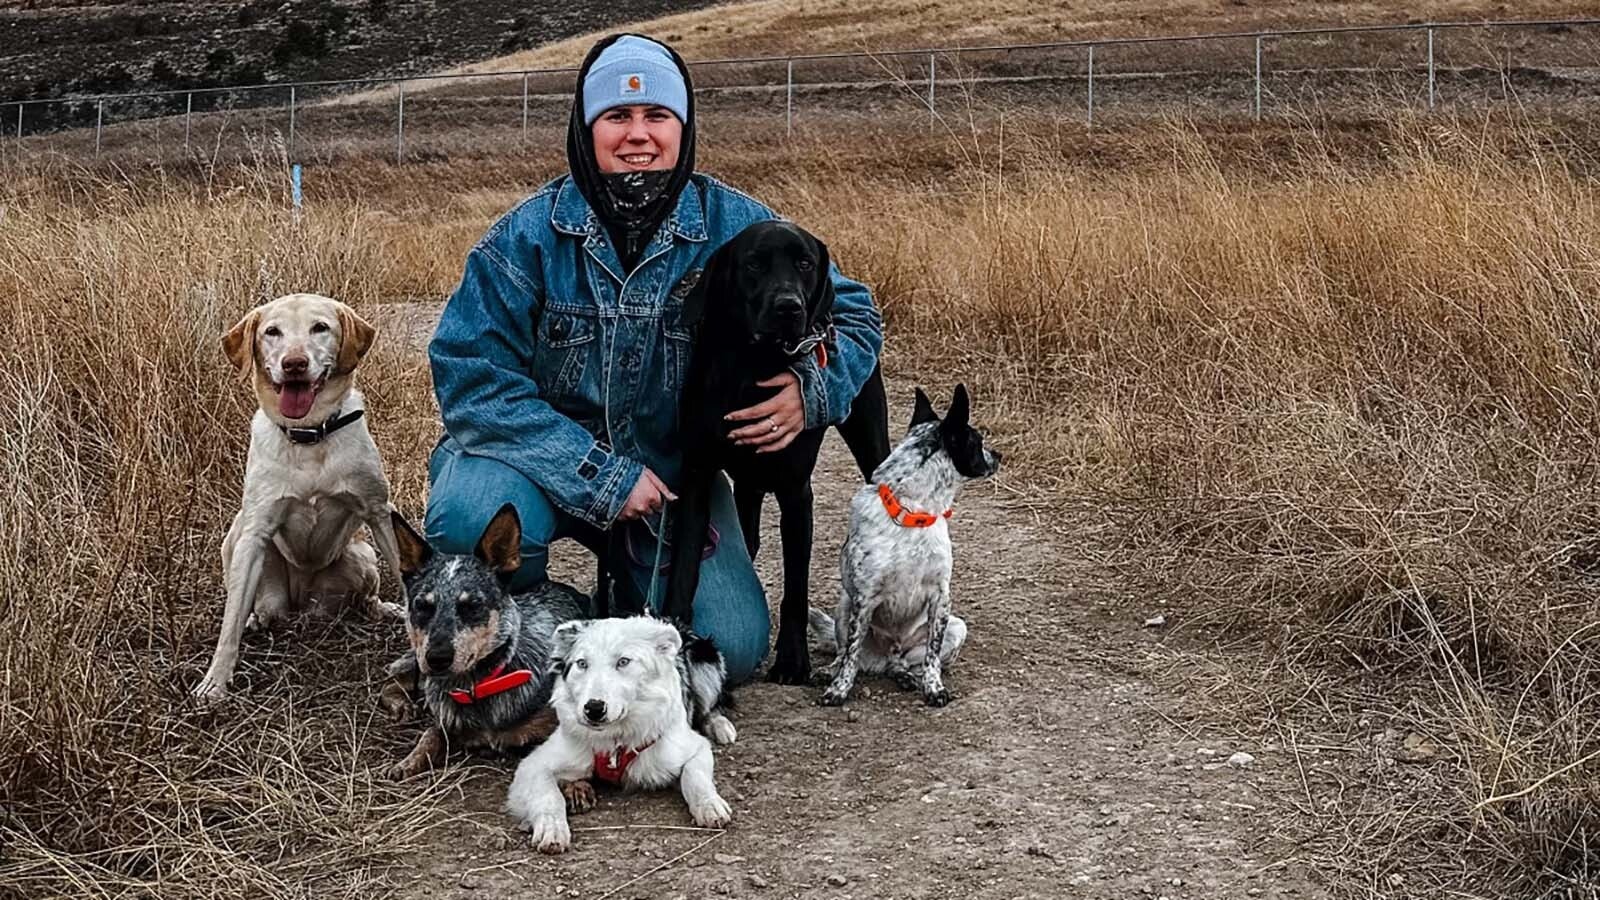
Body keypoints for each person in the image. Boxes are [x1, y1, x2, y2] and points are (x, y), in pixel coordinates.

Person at [423, 34, 883, 684]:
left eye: (657, 115)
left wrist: (812, 391)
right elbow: (471, 378)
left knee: (730, 645)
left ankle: (601, 616)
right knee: (468, 519)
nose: (638, 134)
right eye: (617, 115)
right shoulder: (524, 239)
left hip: (668, 485)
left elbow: (855, 311)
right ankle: (528, 620)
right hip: (533, 465)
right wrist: (601, 477)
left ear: (683, 128)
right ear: (586, 128)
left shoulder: (733, 224)